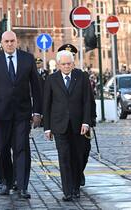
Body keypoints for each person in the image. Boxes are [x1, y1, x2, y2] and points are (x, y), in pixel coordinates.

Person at [0, 31, 42, 199]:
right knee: (2, 150)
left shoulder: (27, 59)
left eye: (12, 41)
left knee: (22, 149)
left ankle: (22, 186)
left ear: (17, 42)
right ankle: (5, 182)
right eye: (6, 41)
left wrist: (37, 111)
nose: (9, 44)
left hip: (22, 113)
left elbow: (36, 86)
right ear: (2, 43)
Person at [43, 49, 92, 201]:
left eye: (69, 64)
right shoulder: (52, 79)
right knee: (64, 158)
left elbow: (87, 101)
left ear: (73, 63)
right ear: (58, 64)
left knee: (77, 157)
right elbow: (47, 104)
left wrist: (86, 122)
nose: (66, 66)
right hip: (59, 126)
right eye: (63, 64)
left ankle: (76, 187)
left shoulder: (81, 76)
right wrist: (47, 128)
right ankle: (67, 191)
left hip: (78, 125)